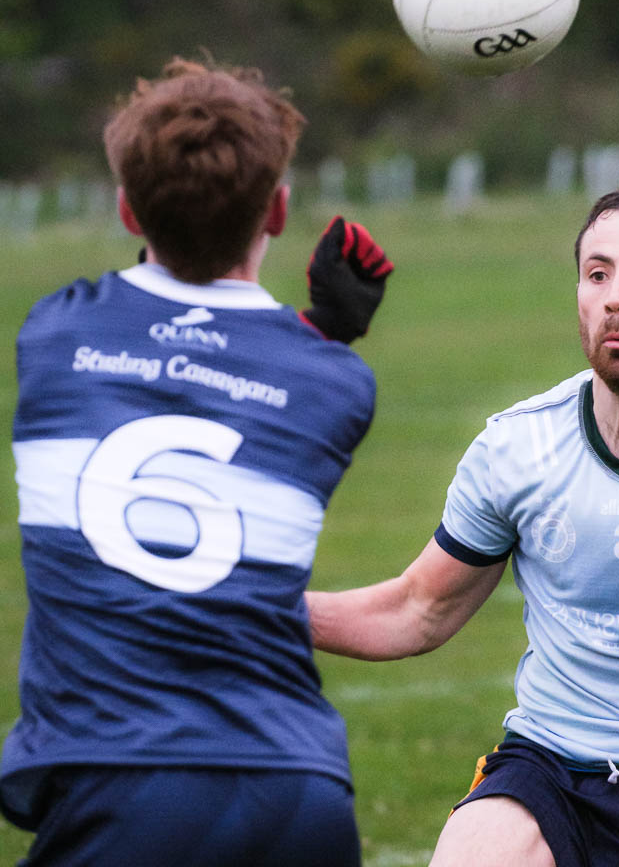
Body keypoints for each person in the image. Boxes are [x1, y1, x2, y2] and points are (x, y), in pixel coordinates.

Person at [307, 188, 619, 867]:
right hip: (556, 769)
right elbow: (418, 609)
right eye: (598, 274)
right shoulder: (516, 449)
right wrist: (259, 609)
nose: (616, 298)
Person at [0, 56, 394, 867]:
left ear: (124, 207)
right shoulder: (334, 382)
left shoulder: (50, 336)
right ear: (278, 211)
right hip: (296, 788)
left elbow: (156, 364)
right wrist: (321, 332)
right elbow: (257, 389)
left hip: (114, 781)